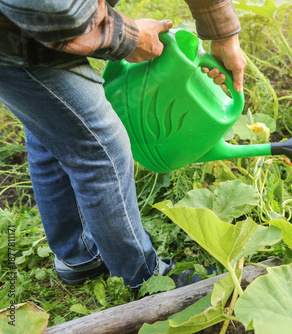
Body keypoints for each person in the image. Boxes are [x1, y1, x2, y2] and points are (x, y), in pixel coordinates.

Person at [0, 0, 246, 289]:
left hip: (36, 30)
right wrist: (128, 36)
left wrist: (223, 34)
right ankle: (143, 279)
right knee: (101, 149)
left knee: (54, 125)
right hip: (14, 40)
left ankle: (78, 256)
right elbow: (55, 8)